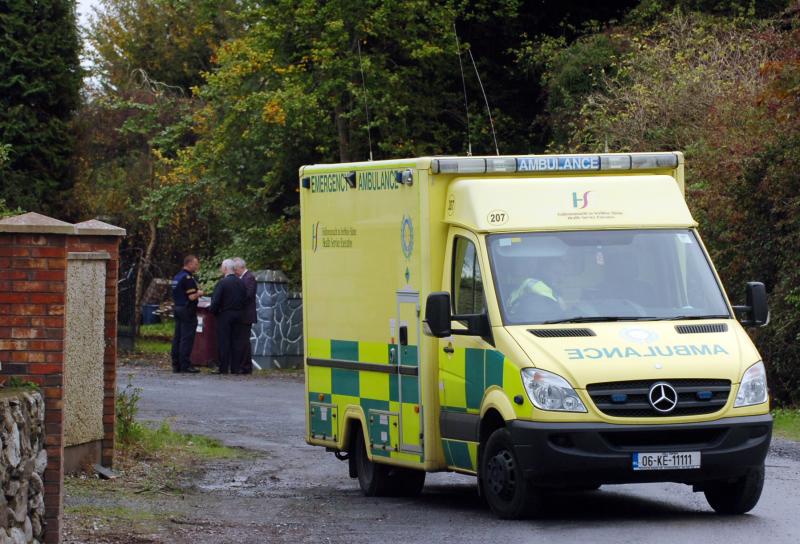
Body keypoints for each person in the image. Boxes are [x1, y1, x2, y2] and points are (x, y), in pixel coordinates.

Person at [209, 259, 245, 374]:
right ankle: (235, 368)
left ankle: (223, 367)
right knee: (236, 342)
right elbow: (245, 299)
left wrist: (213, 312)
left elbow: (215, 301)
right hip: (239, 315)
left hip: (225, 315)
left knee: (224, 341)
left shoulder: (222, 283)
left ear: (225, 269)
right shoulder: (241, 282)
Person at [170, 255, 203, 373]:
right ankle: (185, 365)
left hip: (178, 308)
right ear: (189, 264)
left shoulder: (177, 277)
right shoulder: (188, 278)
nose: (197, 266)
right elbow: (191, 296)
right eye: (195, 264)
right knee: (186, 338)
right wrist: (199, 293)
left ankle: (176, 364)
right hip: (187, 310)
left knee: (177, 337)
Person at [233, 257, 256, 375]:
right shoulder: (243, 278)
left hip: (246, 315)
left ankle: (245, 366)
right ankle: (243, 365)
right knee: (242, 341)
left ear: (241, 267)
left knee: (244, 341)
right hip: (242, 314)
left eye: (236, 269)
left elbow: (248, 295)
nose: (235, 272)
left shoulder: (249, 278)